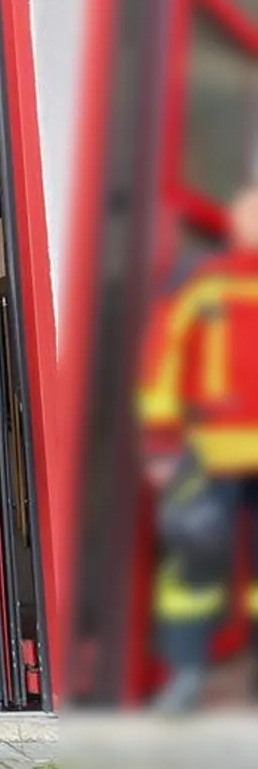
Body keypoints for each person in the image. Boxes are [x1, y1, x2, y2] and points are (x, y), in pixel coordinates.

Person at [138, 182, 258, 712]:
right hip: (210, 450)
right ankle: (185, 675)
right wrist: (160, 443)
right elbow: (163, 361)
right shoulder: (204, 280)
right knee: (192, 568)